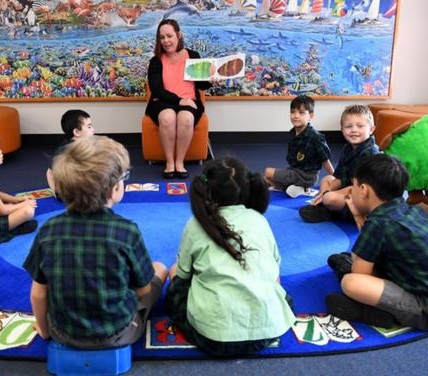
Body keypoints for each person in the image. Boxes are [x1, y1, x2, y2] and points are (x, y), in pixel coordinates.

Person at [25, 136, 168, 348]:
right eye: (124, 176)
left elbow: (38, 293)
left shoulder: (48, 230)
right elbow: (144, 290)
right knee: (160, 268)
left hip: (63, 333)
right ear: (114, 189)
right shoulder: (126, 231)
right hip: (118, 334)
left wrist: (46, 332)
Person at [165, 157, 296, 356]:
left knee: (175, 272)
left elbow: (183, 275)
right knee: (274, 283)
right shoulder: (258, 219)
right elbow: (275, 269)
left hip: (213, 337)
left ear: (206, 190)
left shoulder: (195, 224)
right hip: (267, 331)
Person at [325, 154, 428, 330]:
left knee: (350, 282)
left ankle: (376, 313)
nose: (352, 190)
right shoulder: (409, 210)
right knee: (357, 260)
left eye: (354, 186)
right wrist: (359, 216)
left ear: (364, 190)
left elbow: (360, 274)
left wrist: (352, 267)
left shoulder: (379, 223)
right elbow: (371, 245)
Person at [145, 19, 212, 179]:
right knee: (167, 118)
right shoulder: (156, 61)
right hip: (162, 102)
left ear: (179, 35)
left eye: (169, 36)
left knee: (186, 118)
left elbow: (202, 85)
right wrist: (179, 101)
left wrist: (209, 80)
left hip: (190, 101)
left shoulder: (193, 56)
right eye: (162, 37)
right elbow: (157, 90)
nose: (166, 41)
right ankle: (170, 163)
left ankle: (179, 163)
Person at [299, 104, 379, 223]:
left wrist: (327, 194)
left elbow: (358, 189)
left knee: (329, 198)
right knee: (327, 179)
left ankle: (333, 212)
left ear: (371, 129)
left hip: (364, 196)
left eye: (360, 126)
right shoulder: (348, 148)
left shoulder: (369, 154)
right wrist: (326, 191)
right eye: (348, 126)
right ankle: (325, 204)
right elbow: (340, 177)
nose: (354, 130)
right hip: (350, 189)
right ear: (342, 130)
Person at [264, 95, 334, 198]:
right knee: (266, 180)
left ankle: (302, 186)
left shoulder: (316, 137)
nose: (296, 116)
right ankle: (298, 188)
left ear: (311, 116)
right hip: (294, 171)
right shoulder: (293, 133)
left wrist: (337, 179)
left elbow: (325, 160)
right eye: (293, 112)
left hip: (307, 176)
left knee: (268, 172)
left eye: (301, 112)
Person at [45, 109, 94, 193]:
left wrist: (55, 191)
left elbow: (49, 171)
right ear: (77, 132)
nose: (93, 129)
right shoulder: (72, 149)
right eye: (89, 127)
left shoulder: (68, 144)